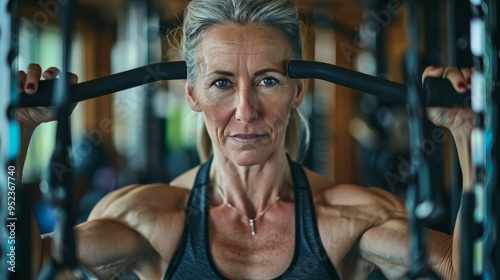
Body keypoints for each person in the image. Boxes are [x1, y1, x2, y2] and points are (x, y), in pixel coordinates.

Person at [18, 0, 474, 279]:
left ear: (299, 89)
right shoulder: (147, 217)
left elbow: (465, 269)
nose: (246, 110)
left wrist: (467, 135)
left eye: (268, 81)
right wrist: (16, 137)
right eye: (220, 83)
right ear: (192, 94)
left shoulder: (351, 217)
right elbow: (27, 267)